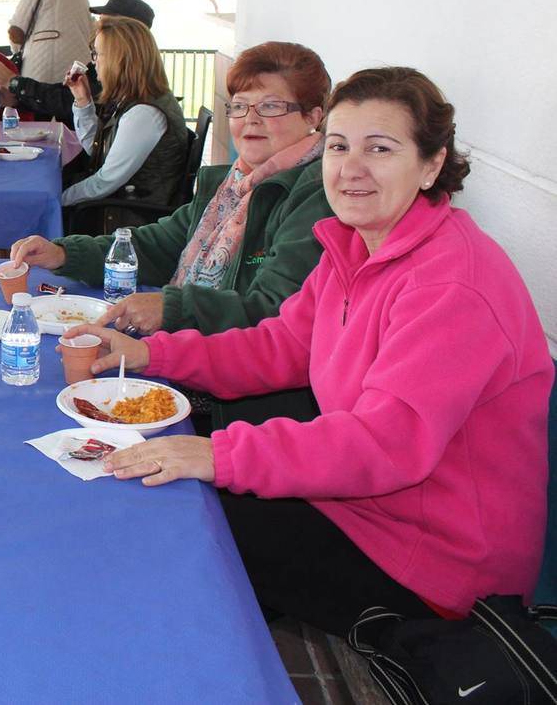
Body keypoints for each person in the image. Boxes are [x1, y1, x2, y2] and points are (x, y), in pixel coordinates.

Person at [65, 67, 552, 635]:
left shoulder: (452, 285)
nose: (351, 169)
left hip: (434, 568)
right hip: (357, 510)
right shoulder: (352, 244)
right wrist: (154, 356)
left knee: (170, 528)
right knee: (166, 519)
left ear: (432, 164)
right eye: (340, 146)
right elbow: (281, 347)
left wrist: (217, 455)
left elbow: (386, 442)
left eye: (381, 148)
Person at [10, 41, 333, 340]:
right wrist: (66, 254)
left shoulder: (317, 196)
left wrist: (171, 308)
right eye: (239, 106)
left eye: (271, 106)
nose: (250, 119)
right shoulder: (236, 182)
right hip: (187, 345)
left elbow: (274, 311)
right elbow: (162, 245)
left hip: (227, 384)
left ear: (312, 116)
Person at [59, 15, 189, 212]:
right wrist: (83, 101)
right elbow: (98, 152)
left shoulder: (143, 114)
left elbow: (104, 183)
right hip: (124, 205)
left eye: (97, 54)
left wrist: (56, 199)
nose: (93, 62)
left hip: (135, 219)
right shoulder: (132, 100)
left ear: (120, 60)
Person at [0, 0, 152, 125]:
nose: (97, 29)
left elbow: (66, 103)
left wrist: (13, 81)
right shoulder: (106, 64)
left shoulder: (133, 80)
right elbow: (64, 94)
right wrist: (15, 99)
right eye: (99, 22)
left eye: (105, 25)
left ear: (128, 34)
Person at [7, 0, 95, 86]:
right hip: (78, 71)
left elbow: (16, 30)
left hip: (41, 68)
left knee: (37, 106)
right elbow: (93, 34)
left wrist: (17, 52)